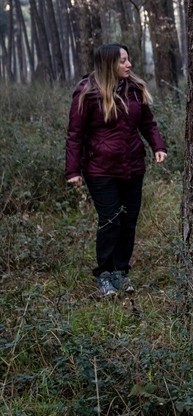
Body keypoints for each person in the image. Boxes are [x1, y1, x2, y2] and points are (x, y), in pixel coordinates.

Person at [65, 42, 168, 297]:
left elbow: (148, 122)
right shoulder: (87, 92)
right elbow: (75, 134)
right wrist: (72, 170)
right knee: (110, 220)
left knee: (128, 222)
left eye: (128, 59)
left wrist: (158, 145)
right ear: (109, 63)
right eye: (123, 61)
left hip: (133, 165)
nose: (129, 64)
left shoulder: (134, 89)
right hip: (100, 169)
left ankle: (121, 272)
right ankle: (104, 275)